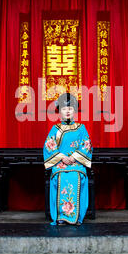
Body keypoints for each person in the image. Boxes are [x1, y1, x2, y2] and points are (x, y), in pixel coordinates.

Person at [43, 93, 92, 226]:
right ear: (60, 112)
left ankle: (77, 217)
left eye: (70, 109)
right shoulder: (56, 129)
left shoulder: (81, 128)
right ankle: (60, 216)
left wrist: (73, 157)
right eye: (64, 109)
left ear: (74, 111)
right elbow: (49, 146)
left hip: (77, 163)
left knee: (77, 176)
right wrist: (63, 157)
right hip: (60, 163)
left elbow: (86, 145)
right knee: (59, 177)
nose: (68, 111)